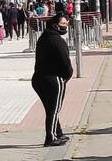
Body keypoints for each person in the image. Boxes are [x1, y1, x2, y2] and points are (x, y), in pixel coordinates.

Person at [31, 13, 73, 147]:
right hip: (53, 79)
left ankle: (58, 132)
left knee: (50, 108)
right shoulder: (57, 41)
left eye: (66, 24)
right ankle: (51, 137)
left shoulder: (43, 38)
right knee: (54, 109)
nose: (65, 27)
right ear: (55, 25)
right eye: (63, 24)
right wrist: (66, 76)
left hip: (38, 78)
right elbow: (66, 64)